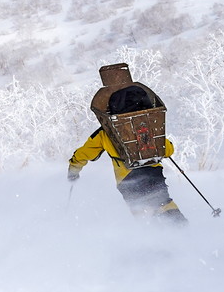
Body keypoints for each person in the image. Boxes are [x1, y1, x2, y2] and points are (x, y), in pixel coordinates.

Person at [66, 62, 186, 222]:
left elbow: (84, 153)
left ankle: (154, 241)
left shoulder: (104, 133)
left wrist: (73, 170)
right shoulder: (149, 127)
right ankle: (182, 232)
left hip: (127, 180)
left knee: (143, 214)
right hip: (152, 172)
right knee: (163, 203)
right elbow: (168, 150)